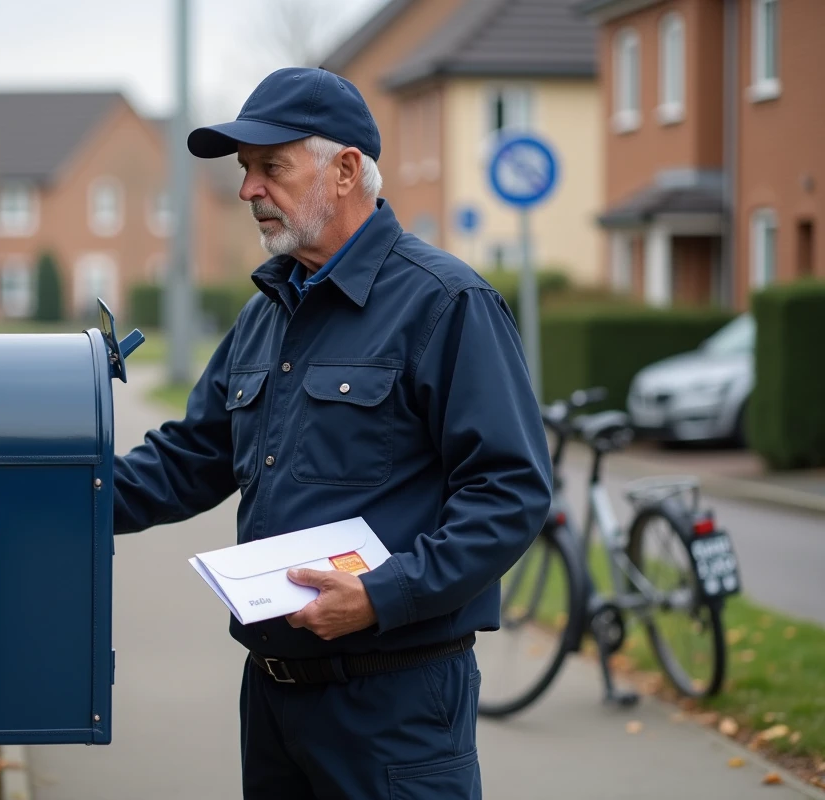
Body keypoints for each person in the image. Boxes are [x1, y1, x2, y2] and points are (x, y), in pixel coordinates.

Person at [112, 67, 552, 800]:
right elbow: (190, 458)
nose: (249, 189)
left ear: (346, 170)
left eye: (270, 167)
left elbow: (510, 492)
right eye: (246, 171)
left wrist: (384, 595)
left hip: (396, 706)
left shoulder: (446, 304)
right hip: (275, 699)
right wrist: (54, 491)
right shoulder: (267, 312)